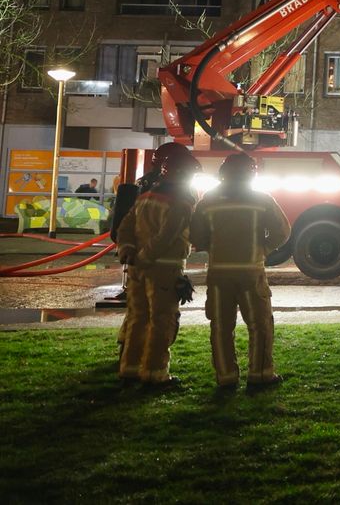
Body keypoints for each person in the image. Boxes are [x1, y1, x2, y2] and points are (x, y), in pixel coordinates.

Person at [189, 154, 289, 389]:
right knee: (260, 324)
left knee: (221, 326)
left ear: (223, 174)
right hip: (250, 272)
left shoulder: (208, 200)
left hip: (219, 273)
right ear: (251, 175)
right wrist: (264, 249)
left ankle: (226, 377)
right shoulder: (262, 199)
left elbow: (196, 235)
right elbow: (283, 231)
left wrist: (213, 247)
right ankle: (261, 374)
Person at [115, 144, 200, 387]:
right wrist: (146, 257)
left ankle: (129, 368)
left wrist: (129, 251)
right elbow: (167, 236)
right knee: (162, 320)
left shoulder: (145, 197)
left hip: (136, 269)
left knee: (137, 318)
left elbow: (125, 227)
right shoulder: (181, 202)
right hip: (164, 269)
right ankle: (155, 373)